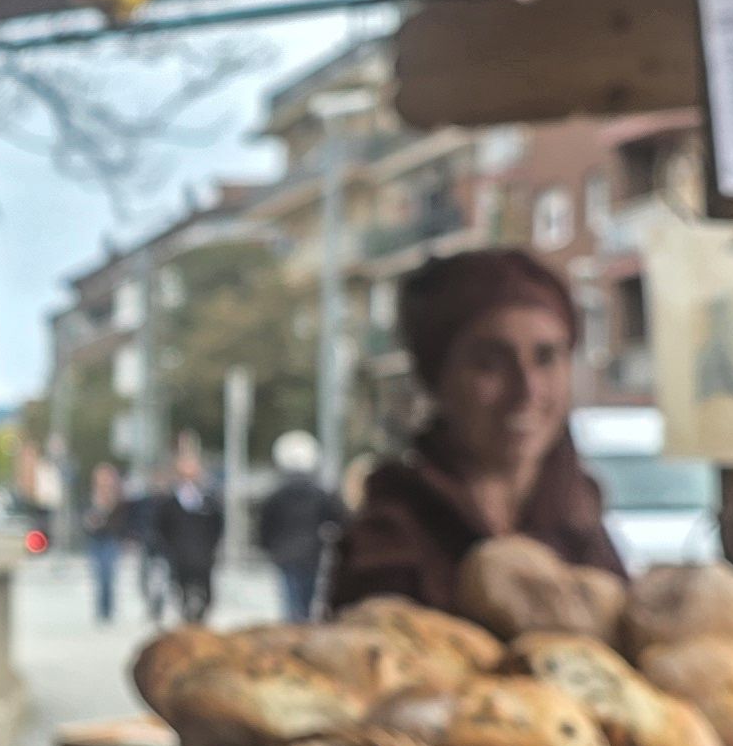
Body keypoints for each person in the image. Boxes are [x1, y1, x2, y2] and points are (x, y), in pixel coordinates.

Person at [333, 249, 623, 617]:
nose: (527, 391)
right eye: (490, 363)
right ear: (437, 378)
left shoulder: (581, 521)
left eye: (547, 357)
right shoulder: (389, 540)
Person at [255, 428, 347, 621]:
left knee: (291, 600)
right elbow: (340, 519)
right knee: (306, 599)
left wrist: (266, 546)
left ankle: (294, 628)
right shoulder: (320, 493)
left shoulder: (276, 495)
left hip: (284, 554)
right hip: (311, 553)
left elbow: (265, 525)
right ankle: (301, 626)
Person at [136, 435, 227, 622]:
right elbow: (160, 526)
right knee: (182, 590)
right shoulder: (169, 503)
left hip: (203, 555)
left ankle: (199, 617)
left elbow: (218, 524)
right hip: (179, 555)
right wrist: (169, 547)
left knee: (205, 592)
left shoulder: (209, 501)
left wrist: (212, 545)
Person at [79, 458, 130, 621]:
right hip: (95, 539)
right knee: (98, 575)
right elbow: (83, 518)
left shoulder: (119, 498)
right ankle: (101, 609)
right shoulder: (89, 496)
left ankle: (108, 609)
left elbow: (123, 521)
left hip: (111, 538)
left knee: (108, 574)